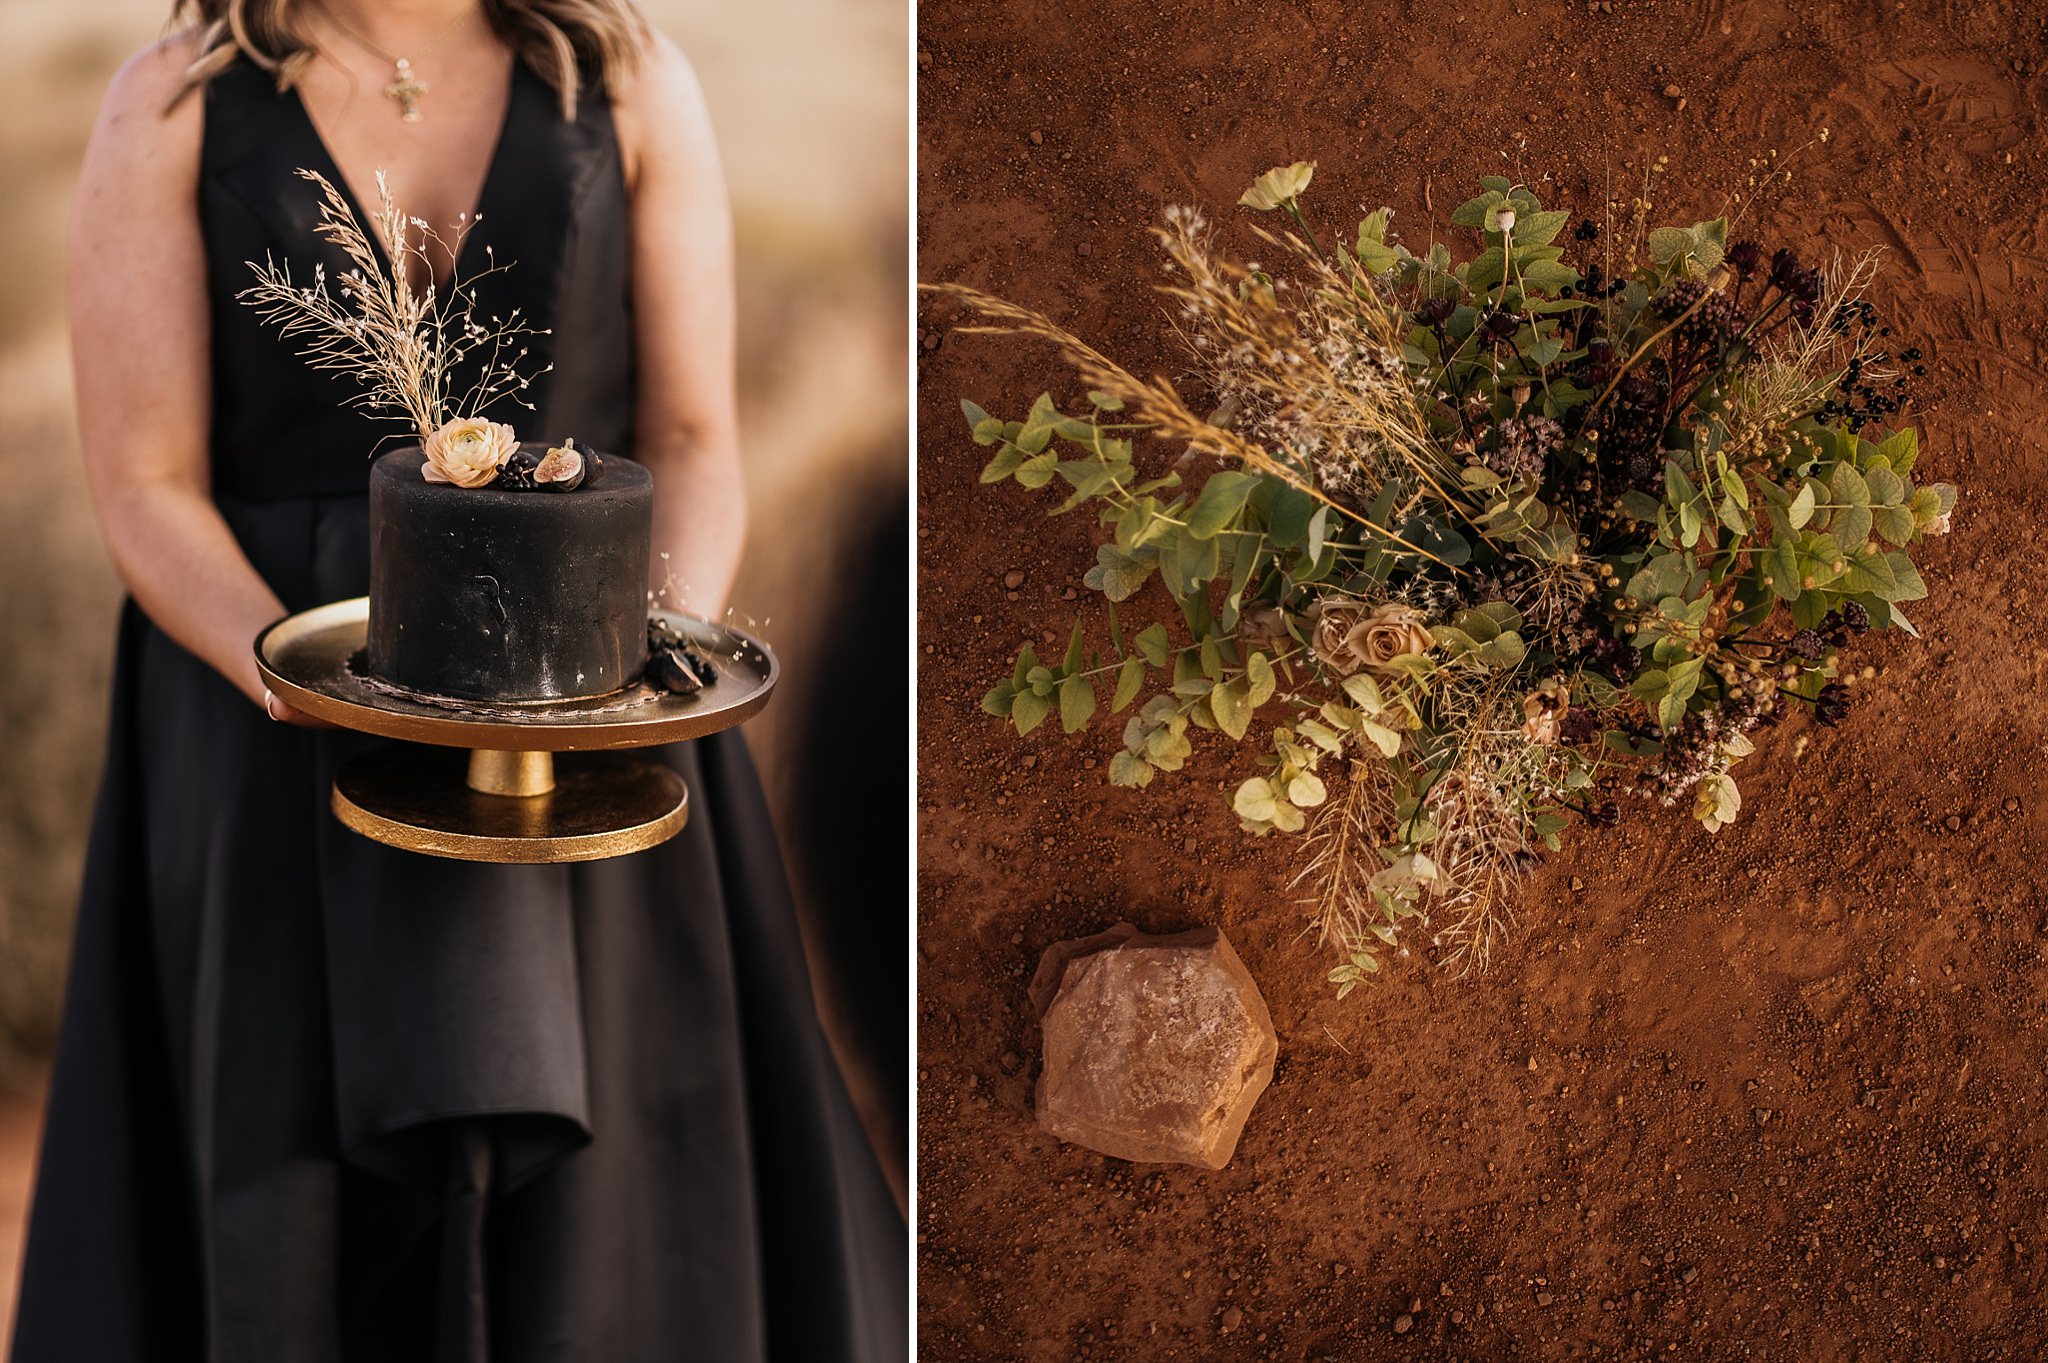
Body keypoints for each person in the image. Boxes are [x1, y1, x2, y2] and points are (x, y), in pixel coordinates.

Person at [13, 1, 905, 1358]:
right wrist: (306, 688)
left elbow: (690, 431)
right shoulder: (170, 103)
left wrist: (635, 666)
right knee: (295, 1196)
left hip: (598, 728)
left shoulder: (629, 79)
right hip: (264, 743)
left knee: (615, 1219)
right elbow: (147, 488)